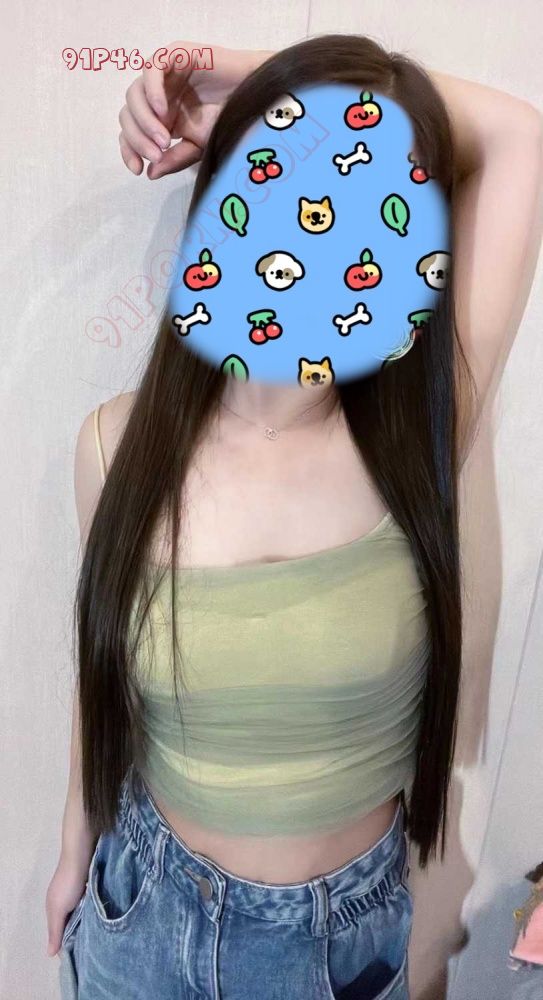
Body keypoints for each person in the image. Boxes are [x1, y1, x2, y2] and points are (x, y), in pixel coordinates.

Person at [45, 34, 542, 1000]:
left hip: (335, 944)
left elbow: (518, 136)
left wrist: (251, 75)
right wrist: (75, 846)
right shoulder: (114, 447)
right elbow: (101, 673)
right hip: (140, 913)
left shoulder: (420, 434)